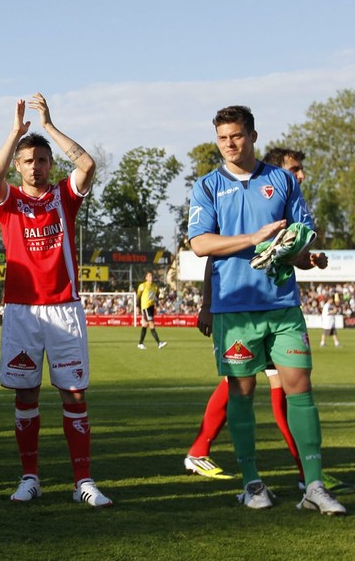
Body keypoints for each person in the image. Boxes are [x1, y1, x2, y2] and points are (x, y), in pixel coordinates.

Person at [187, 105, 344, 514]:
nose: (229, 144)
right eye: (222, 138)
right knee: (242, 392)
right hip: (234, 307)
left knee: (299, 387)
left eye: (236, 135)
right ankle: (252, 484)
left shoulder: (281, 181)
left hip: (282, 304)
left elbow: (294, 239)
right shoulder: (206, 186)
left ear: (253, 135)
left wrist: (306, 258)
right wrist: (253, 238)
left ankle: (313, 486)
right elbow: (201, 244)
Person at [0, 93, 112, 508]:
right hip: (22, 311)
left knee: (74, 394)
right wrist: (15, 133)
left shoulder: (65, 195)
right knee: (25, 396)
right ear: (18, 166)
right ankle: (30, 477)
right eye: (28, 161)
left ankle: (83, 482)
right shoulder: (10, 202)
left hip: (64, 307)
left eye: (42, 160)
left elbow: (88, 165)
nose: (36, 166)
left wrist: (49, 124)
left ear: (49, 164)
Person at [136, 271, 167, 349]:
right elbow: (138, 297)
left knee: (145, 324)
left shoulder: (155, 286)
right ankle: (159, 343)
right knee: (151, 324)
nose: (151, 277)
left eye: (152, 276)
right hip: (146, 306)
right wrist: (137, 306)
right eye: (149, 276)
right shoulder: (142, 286)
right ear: (146, 278)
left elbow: (157, 297)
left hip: (151, 307)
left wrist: (162, 296)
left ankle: (140, 343)